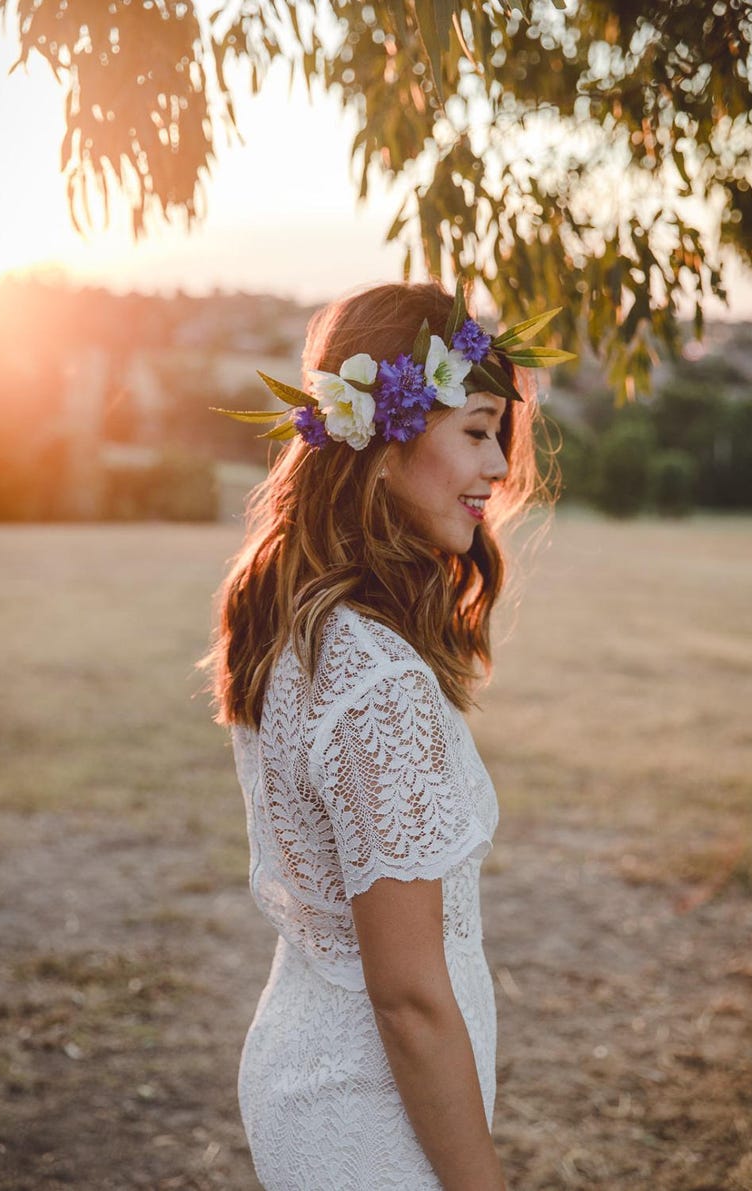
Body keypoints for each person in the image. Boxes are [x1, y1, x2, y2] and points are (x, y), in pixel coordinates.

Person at [203, 280, 568, 1190]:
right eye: (477, 430)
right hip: (368, 1108)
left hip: (314, 1067)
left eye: (500, 437)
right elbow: (408, 997)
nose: (498, 470)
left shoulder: (307, 620)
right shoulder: (376, 679)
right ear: (385, 431)